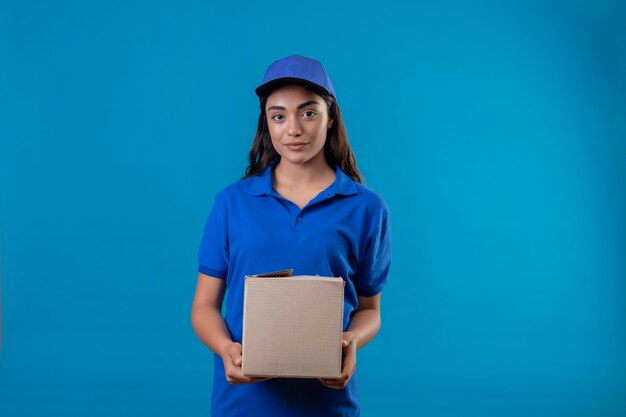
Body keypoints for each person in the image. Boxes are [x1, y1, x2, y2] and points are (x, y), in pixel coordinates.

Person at [191, 55, 392, 417]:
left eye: (309, 112)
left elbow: (370, 311)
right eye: (279, 116)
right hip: (242, 404)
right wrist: (225, 348)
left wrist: (350, 342)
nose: (293, 129)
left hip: (328, 404)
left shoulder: (367, 208)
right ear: (267, 124)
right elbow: (204, 305)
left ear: (331, 118)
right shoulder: (231, 203)